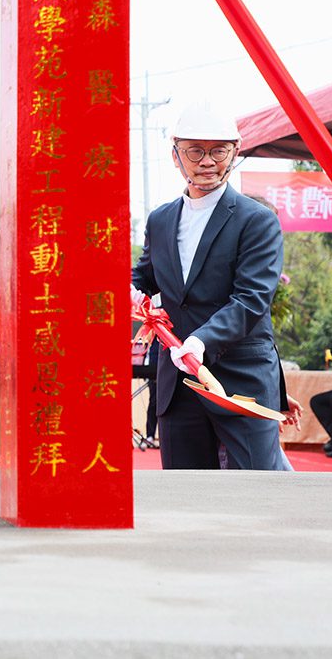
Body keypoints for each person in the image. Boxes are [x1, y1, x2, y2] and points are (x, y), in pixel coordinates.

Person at [131, 104, 290, 470]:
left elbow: (251, 300)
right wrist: (129, 288)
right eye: (195, 151)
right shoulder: (160, 220)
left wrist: (201, 341)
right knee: (185, 497)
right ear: (175, 155)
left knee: (257, 490)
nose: (207, 162)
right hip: (179, 383)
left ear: (235, 153)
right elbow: (147, 276)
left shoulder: (257, 221)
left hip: (242, 380)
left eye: (218, 151)